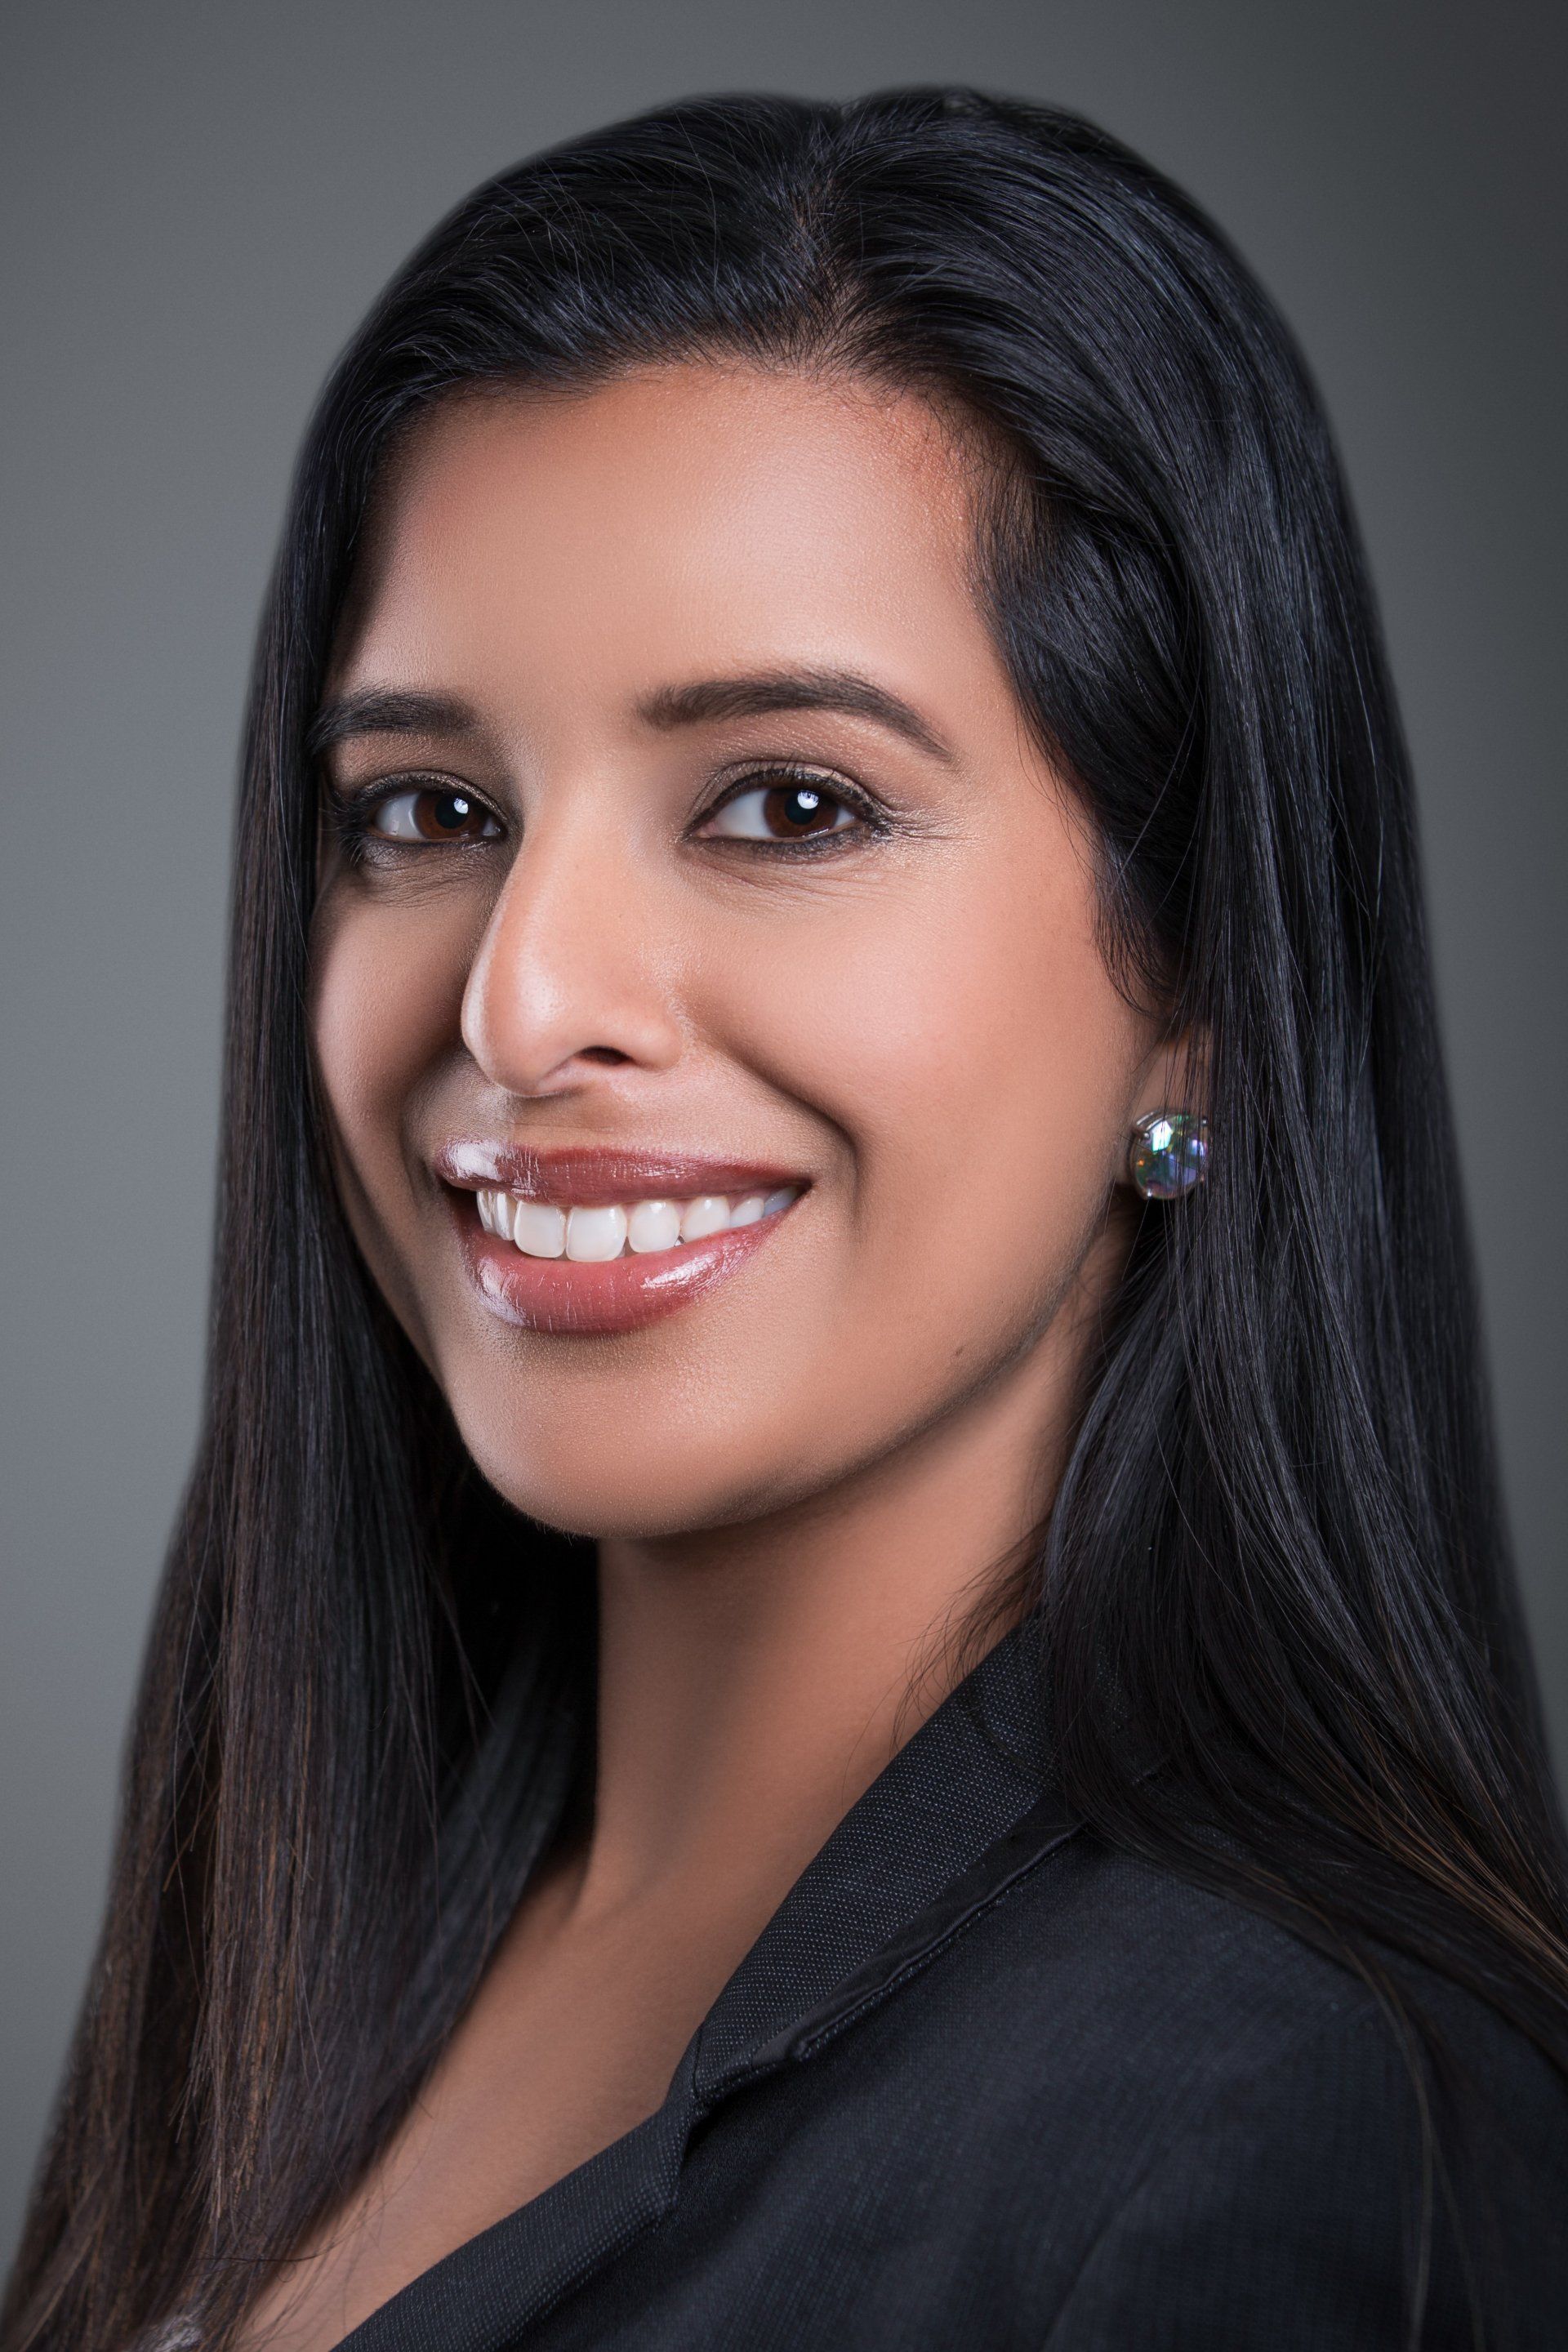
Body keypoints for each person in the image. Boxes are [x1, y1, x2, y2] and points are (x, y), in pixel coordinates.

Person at [6, 87, 1566, 2352]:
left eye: (788, 805)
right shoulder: (308, 1964)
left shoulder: (1278, 2140)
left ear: (1200, 990)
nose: (522, 998)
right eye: (425, 810)